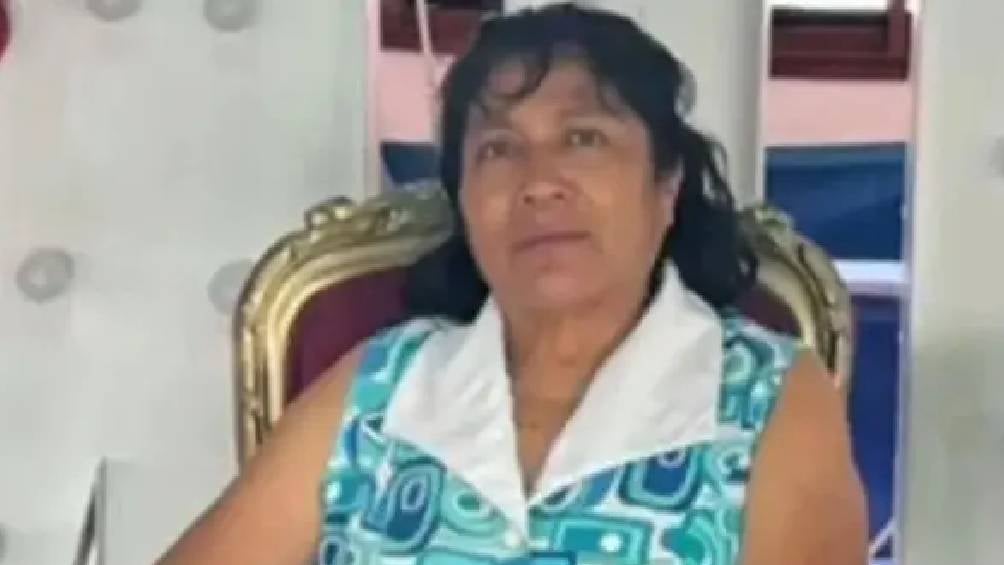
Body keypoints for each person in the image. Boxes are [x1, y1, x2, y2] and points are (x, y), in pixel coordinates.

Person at [158, 4, 867, 564]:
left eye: (583, 138)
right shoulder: (381, 388)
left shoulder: (761, 396)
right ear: (464, 200)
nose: (538, 183)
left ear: (666, 185)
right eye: (499, 149)